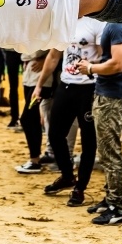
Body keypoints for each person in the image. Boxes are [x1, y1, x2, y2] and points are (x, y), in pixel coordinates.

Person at [33, 17, 105, 206]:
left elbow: (103, 56)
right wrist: (39, 85)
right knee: (55, 134)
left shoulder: (96, 23)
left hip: (89, 87)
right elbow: (54, 56)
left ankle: (80, 187)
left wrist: (91, 68)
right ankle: (67, 175)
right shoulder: (64, 20)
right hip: (66, 85)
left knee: (89, 140)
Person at [79, 21, 122, 225]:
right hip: (110, 95)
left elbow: (117, 64)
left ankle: (116, 207)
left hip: (113, 98)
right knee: (106, 152)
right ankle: (109, 199)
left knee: (110, 153)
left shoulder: (118, 26)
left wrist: (90, 68)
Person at [14, 49, 51, 173]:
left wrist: (46, 59)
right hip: (29, 68)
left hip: (43, 72)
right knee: (33, 117)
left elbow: (59, 44)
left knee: (27, 117)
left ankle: (35, 160)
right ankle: (36, 159)